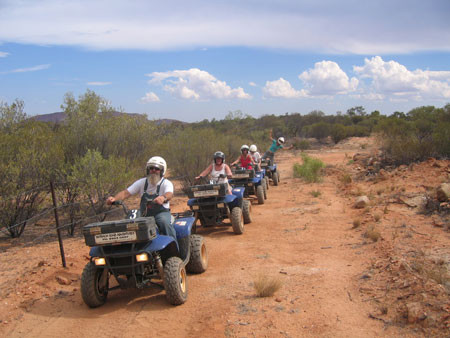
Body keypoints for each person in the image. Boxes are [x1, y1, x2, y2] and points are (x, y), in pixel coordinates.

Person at [106, 156, 177, 243]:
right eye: (151, 168)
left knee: (164, 223)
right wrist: (114, 199)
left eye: (157, 168)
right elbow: (126, 193)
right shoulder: (142, 182)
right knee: (130, 222)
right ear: (148, 170)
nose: (153, 170)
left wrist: (163, 198)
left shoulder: (166, 183)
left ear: (162, 171)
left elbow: (169, 194)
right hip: (144, 213)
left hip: (161, 213)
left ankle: (174, 246)